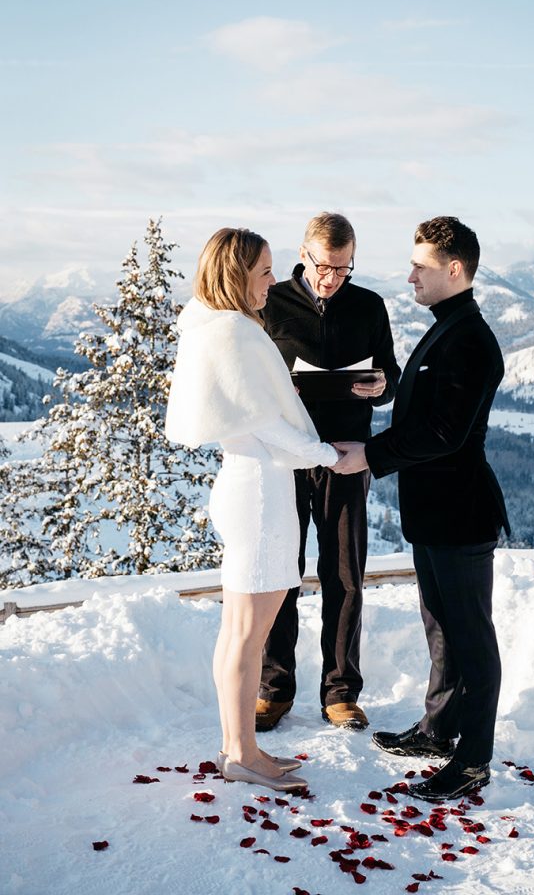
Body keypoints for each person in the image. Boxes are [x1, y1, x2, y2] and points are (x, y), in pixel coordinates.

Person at [333, 216, 510, 802]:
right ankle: (438, 731)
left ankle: (474, 759)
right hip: (432, 512)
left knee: (471, 638)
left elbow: (445, 432)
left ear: (453, 270)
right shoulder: (445, 329)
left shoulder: (472, 339)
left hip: (460, 512)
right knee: (441, 630)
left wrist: (371, 455)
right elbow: (425, 406)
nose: (410, 275)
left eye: (421, 266)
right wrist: (387, 384)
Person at [165, 227, 340, 792]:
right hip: (259, 492)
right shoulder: (235, 334)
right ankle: (242, 753)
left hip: (246, 486)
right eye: (265, 271)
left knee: (238, 629)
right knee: (248, 632)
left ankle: (238, 745)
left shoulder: (212, 327)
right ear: (238, 274)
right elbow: (265, 422)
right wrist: (325, 454)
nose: (272, 280)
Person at [257, 213, 401, 732]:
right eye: (324, 266)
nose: (332, 278)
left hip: (344, 456)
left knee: (345, 574)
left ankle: (340, 692)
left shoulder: (369, 305)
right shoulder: (270, 302)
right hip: (285, 457)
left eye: (343, 268)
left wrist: (380, 385)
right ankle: (274, 689)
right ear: (305, 253)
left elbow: (391, 376)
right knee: (281, 573)